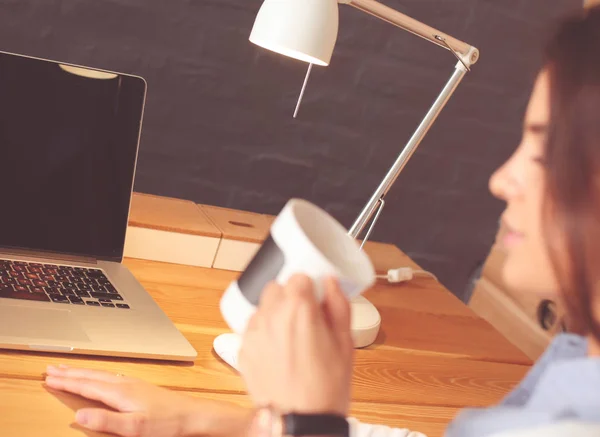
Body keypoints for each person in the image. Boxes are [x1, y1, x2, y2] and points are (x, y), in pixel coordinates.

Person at [44, 6, 600, 437]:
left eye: (545, 154)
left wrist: (307, 420)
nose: (501, 180)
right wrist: (228, 422)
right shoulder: (579, 357)